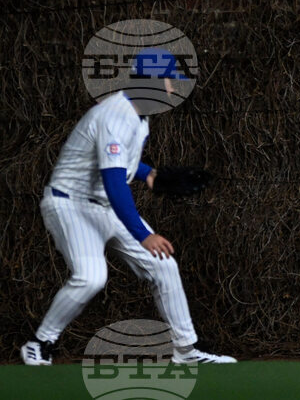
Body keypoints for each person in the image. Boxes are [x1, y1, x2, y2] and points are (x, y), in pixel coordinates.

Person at [20, 48, 235, 365]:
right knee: (91, 277)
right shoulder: (116, 115)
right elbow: (114, 182)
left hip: (104, 206)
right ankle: (40, 343)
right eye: (168, 81)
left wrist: (150, 174)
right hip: (71, 205)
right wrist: (142, 234)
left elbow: (119, 164)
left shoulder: (139, 114)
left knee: (164, 265)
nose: (173, 89)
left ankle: (186, 352)